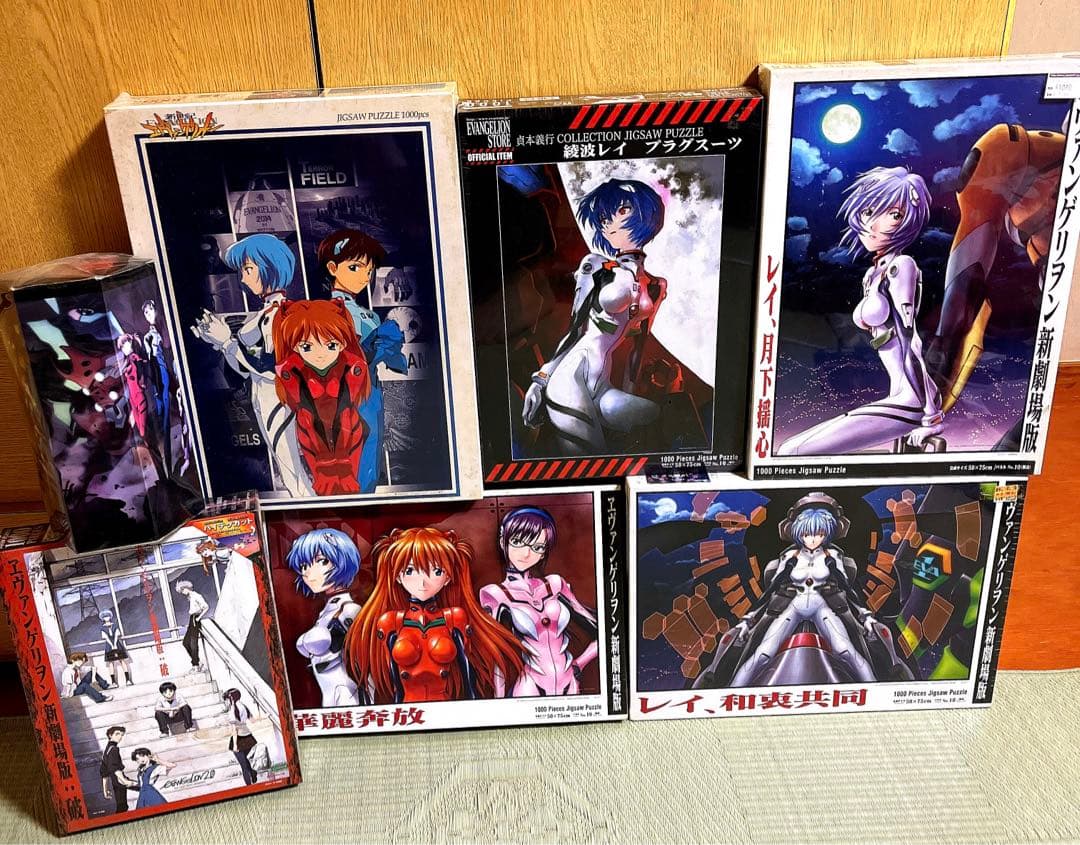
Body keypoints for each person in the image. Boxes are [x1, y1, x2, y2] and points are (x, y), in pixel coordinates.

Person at [777, 167, 943, 456]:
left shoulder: (901, 266)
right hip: (899, 395)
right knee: (788, 449)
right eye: (868, 211)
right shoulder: (872, 275)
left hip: (911, 401)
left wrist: (930, 416)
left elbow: (911, 341)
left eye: (894, 215)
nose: (874, 224)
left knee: (793, 453)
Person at [696, 493, 910, 688]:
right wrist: (749, 619)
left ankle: (874, 690)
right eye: (807, 533)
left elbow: (847, 587)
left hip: (822, 606)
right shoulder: (789, 557)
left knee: (846, 651)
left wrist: (865, 615)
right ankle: (732, 692)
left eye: (819, 533)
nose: (813, 539)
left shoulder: (834, 557)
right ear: (798, 533)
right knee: (762, 654)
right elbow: (771, 589)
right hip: (793, 605)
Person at [522, 178, 667, 454]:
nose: (607, 221)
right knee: (591, 460)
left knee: (655, 416)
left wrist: (630, 390)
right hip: (571, 376)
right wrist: (541, 380)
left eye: (621, 209)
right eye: (602, 216)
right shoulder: (597, 266)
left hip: (603, 386)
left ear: (647, 214)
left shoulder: (656, 286)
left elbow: (639, 346)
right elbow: (575, 329)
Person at [190, 233, 311, 496]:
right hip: (264, 399)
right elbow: (245, 369)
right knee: (286, 467)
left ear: (268, 268)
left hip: (279, 400)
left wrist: (226, 342)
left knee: (292, 470)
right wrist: (219, 342)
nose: (243, 279)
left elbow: (269, 366)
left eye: (248, 270)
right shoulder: (267, 314)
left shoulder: (280, 315)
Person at [344, 527, 523, 704]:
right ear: (397, 576)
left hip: (445, 704)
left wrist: (472, 706)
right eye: (410, 571)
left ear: (448, 578)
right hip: (408, 708)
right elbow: (394, 679)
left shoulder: (454, 618)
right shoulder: (391, 622)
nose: (422, 582)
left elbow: (467, 670)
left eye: (437, 571)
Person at [318, 228, 408, 490]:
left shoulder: (369, 315)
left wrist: (386, 345)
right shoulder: (323, 313)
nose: (364, 277)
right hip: (341, 394)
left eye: (369, 271)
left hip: (370, 394)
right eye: (355, 268)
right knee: (349, 457)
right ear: (332, 268)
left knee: (370, 453)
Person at [480, 507, 598, 697]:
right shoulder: (496, 594)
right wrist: (499, 702)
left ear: (543, 553)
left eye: (537, 547)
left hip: (569, 682)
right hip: (531, 687)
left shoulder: (555, 584)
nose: (526, 553)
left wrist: (579, 664)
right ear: (503, 542)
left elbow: (604, 630)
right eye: (517, 542)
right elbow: (497, 657)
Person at [272, 298, 371, 495]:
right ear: (295, 347)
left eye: (331, 345)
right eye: (307, 346)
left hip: (349, 435)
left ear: (342, 344)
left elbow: (352, 424)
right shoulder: (292, 372)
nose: (320, 354)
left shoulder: (352, 368)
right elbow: (306, 428)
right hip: (312, 437)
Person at [287, 528, 363, 706]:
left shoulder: (349, 610)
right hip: (328, 696)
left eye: (322, 561)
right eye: (304, 566)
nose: (308, 572)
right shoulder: (327, 612)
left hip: (347, 694)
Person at [222, 689, 258, 785]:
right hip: (248, 738)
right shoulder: (244, 706)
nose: (226, 702)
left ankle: (249, 786)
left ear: (231, 699)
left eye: (226, 700)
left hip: (238, 739)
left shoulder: (232, 711)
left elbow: (235, 730)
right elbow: (253, 720)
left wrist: (235, 745)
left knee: (243, 766)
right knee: (244, 760)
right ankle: (253, 773)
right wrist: (265, 716)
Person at [100, 725, 136, 814]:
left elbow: (104, 771)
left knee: (122, 807)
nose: (120, 737)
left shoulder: (108, 749)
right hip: (119, 781)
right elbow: (114, 768)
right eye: (117, 734)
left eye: (121, 735)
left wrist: (105, 789)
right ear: (110, 735)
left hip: (116, 781)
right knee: (122, 807)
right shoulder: (113, 749)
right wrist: (124, 780)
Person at [175, 581, 209, 673]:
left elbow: (206, 607)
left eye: (182, 590)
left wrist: (198, 618)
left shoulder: (196, 596)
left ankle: (196, 665)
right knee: (186, 642)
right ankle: (197, 662)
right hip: (192, 619)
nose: (183, 593)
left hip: (195, 619)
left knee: (193, 643)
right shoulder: (190, 596)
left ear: (186, 588)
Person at [99, 609, 132, 687]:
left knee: (122, 661)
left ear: (110, 617)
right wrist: (112, 645)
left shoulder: (115, 625)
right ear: (103, 619)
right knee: (110, 663)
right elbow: (106, 638)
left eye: (107, 616)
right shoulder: (102, 628)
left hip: (117, 645)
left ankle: (128, 680)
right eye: (105, 617)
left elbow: (117, 635)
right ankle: (113, 682)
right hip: (109, 646)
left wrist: (115, 644)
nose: (106, 618)